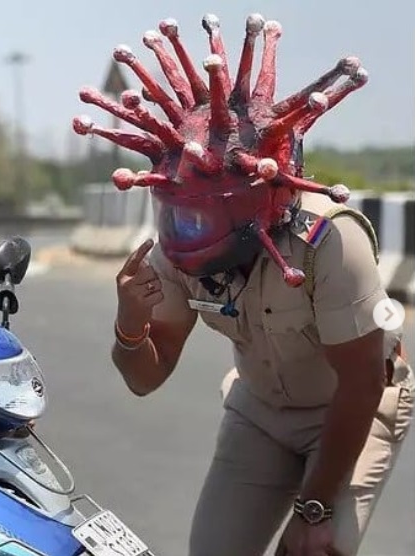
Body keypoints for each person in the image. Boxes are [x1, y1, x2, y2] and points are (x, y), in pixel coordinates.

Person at [73, 13, 413, 556]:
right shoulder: (175, 249)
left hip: (352, 410)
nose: (184, 236)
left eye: (200, 220)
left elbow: (361, 383)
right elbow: (146, 378)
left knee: (318, 549)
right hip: (259, 412)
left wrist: (316, 508)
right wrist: (129, 326)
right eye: (174, 215)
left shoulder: (330, 240)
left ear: (258, 205)